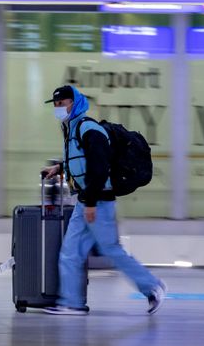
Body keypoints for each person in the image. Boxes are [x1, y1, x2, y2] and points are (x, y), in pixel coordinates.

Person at [41, 85, 167, 316]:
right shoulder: (72, 130)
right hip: (86, 200)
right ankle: (72, 303)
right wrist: (60, 168)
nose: (59, 108)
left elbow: (99, 167)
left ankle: (153, 286)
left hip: (97, 201)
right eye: (56, 105)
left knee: (111, 249)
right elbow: (82, 161)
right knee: (70, 252)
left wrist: (90, 203)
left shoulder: (88, 128)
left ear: (74, 103)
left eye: (62, 103)